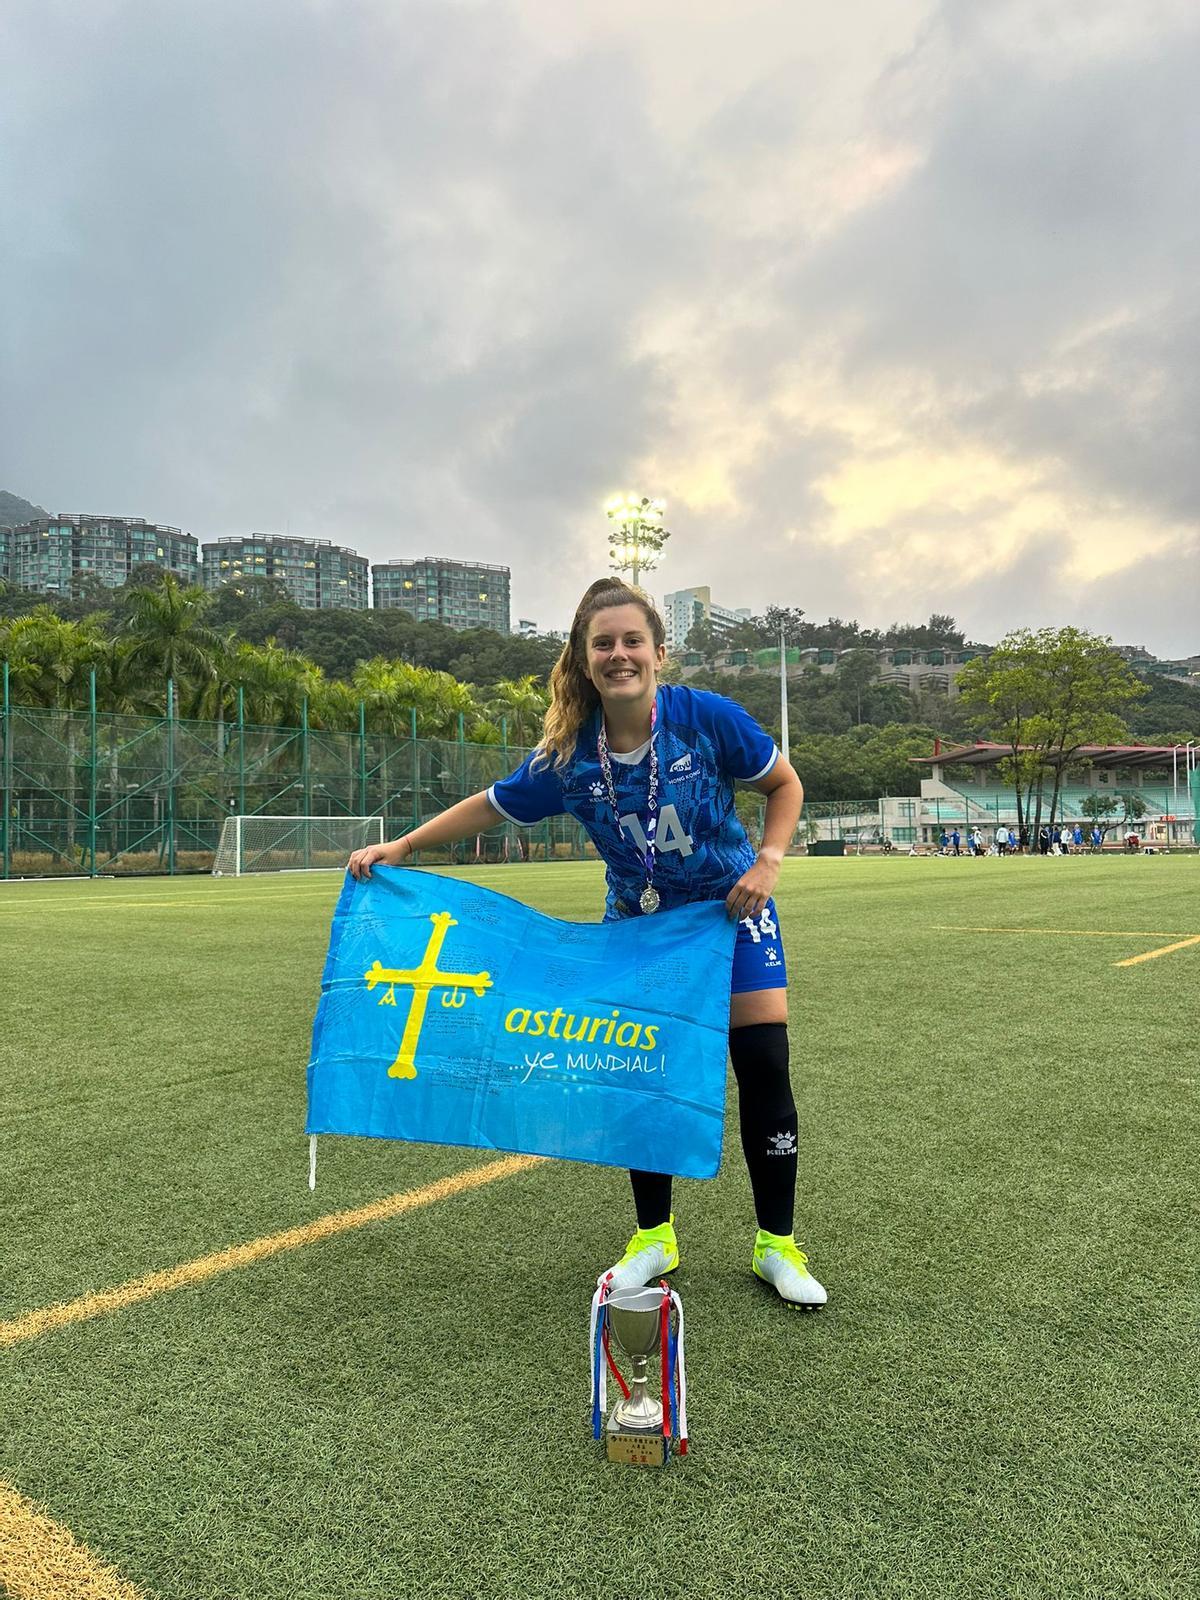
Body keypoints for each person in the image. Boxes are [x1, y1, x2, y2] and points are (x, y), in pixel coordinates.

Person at [347, 579, 826, 1311]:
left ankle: (777, 1246)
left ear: (659, 652)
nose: (619, 654)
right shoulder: (569, 756)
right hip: (637, 931)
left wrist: (768, 861)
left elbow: (784, 785)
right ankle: (654, 1238)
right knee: (644, 1071)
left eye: (632, 640)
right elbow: (491, 805)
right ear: (584, 657)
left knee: (762, 1063)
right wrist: (404, 846)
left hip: (729, 916)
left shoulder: (706, 720)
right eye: (602, 643)